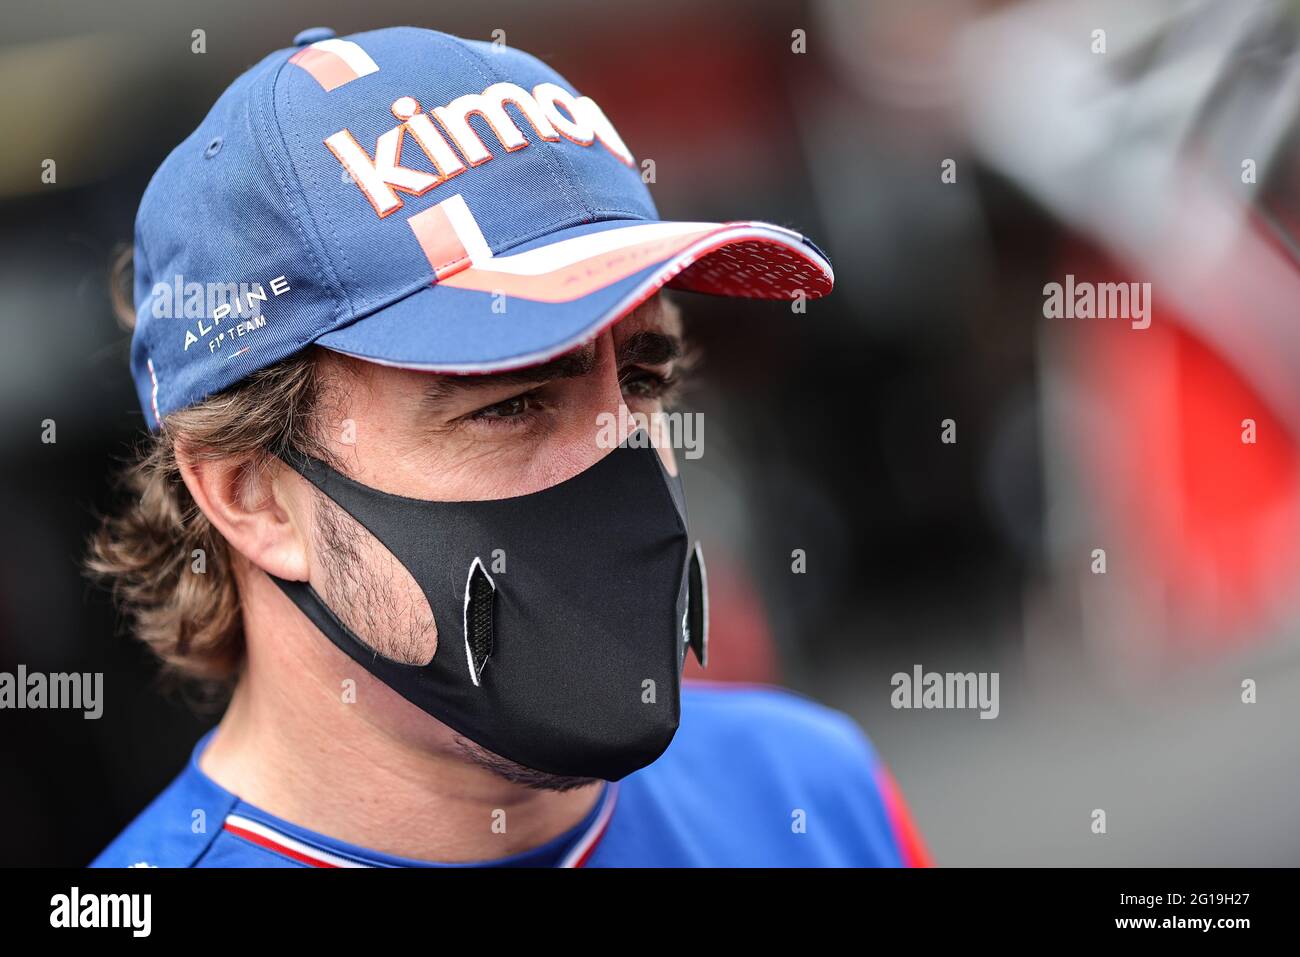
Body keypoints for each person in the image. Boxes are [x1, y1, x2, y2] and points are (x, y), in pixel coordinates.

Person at [87, 25, 930, 867]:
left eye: (641, 382)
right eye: (513, 402)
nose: (620, 458)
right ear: (252, 494)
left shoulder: (811, 794)